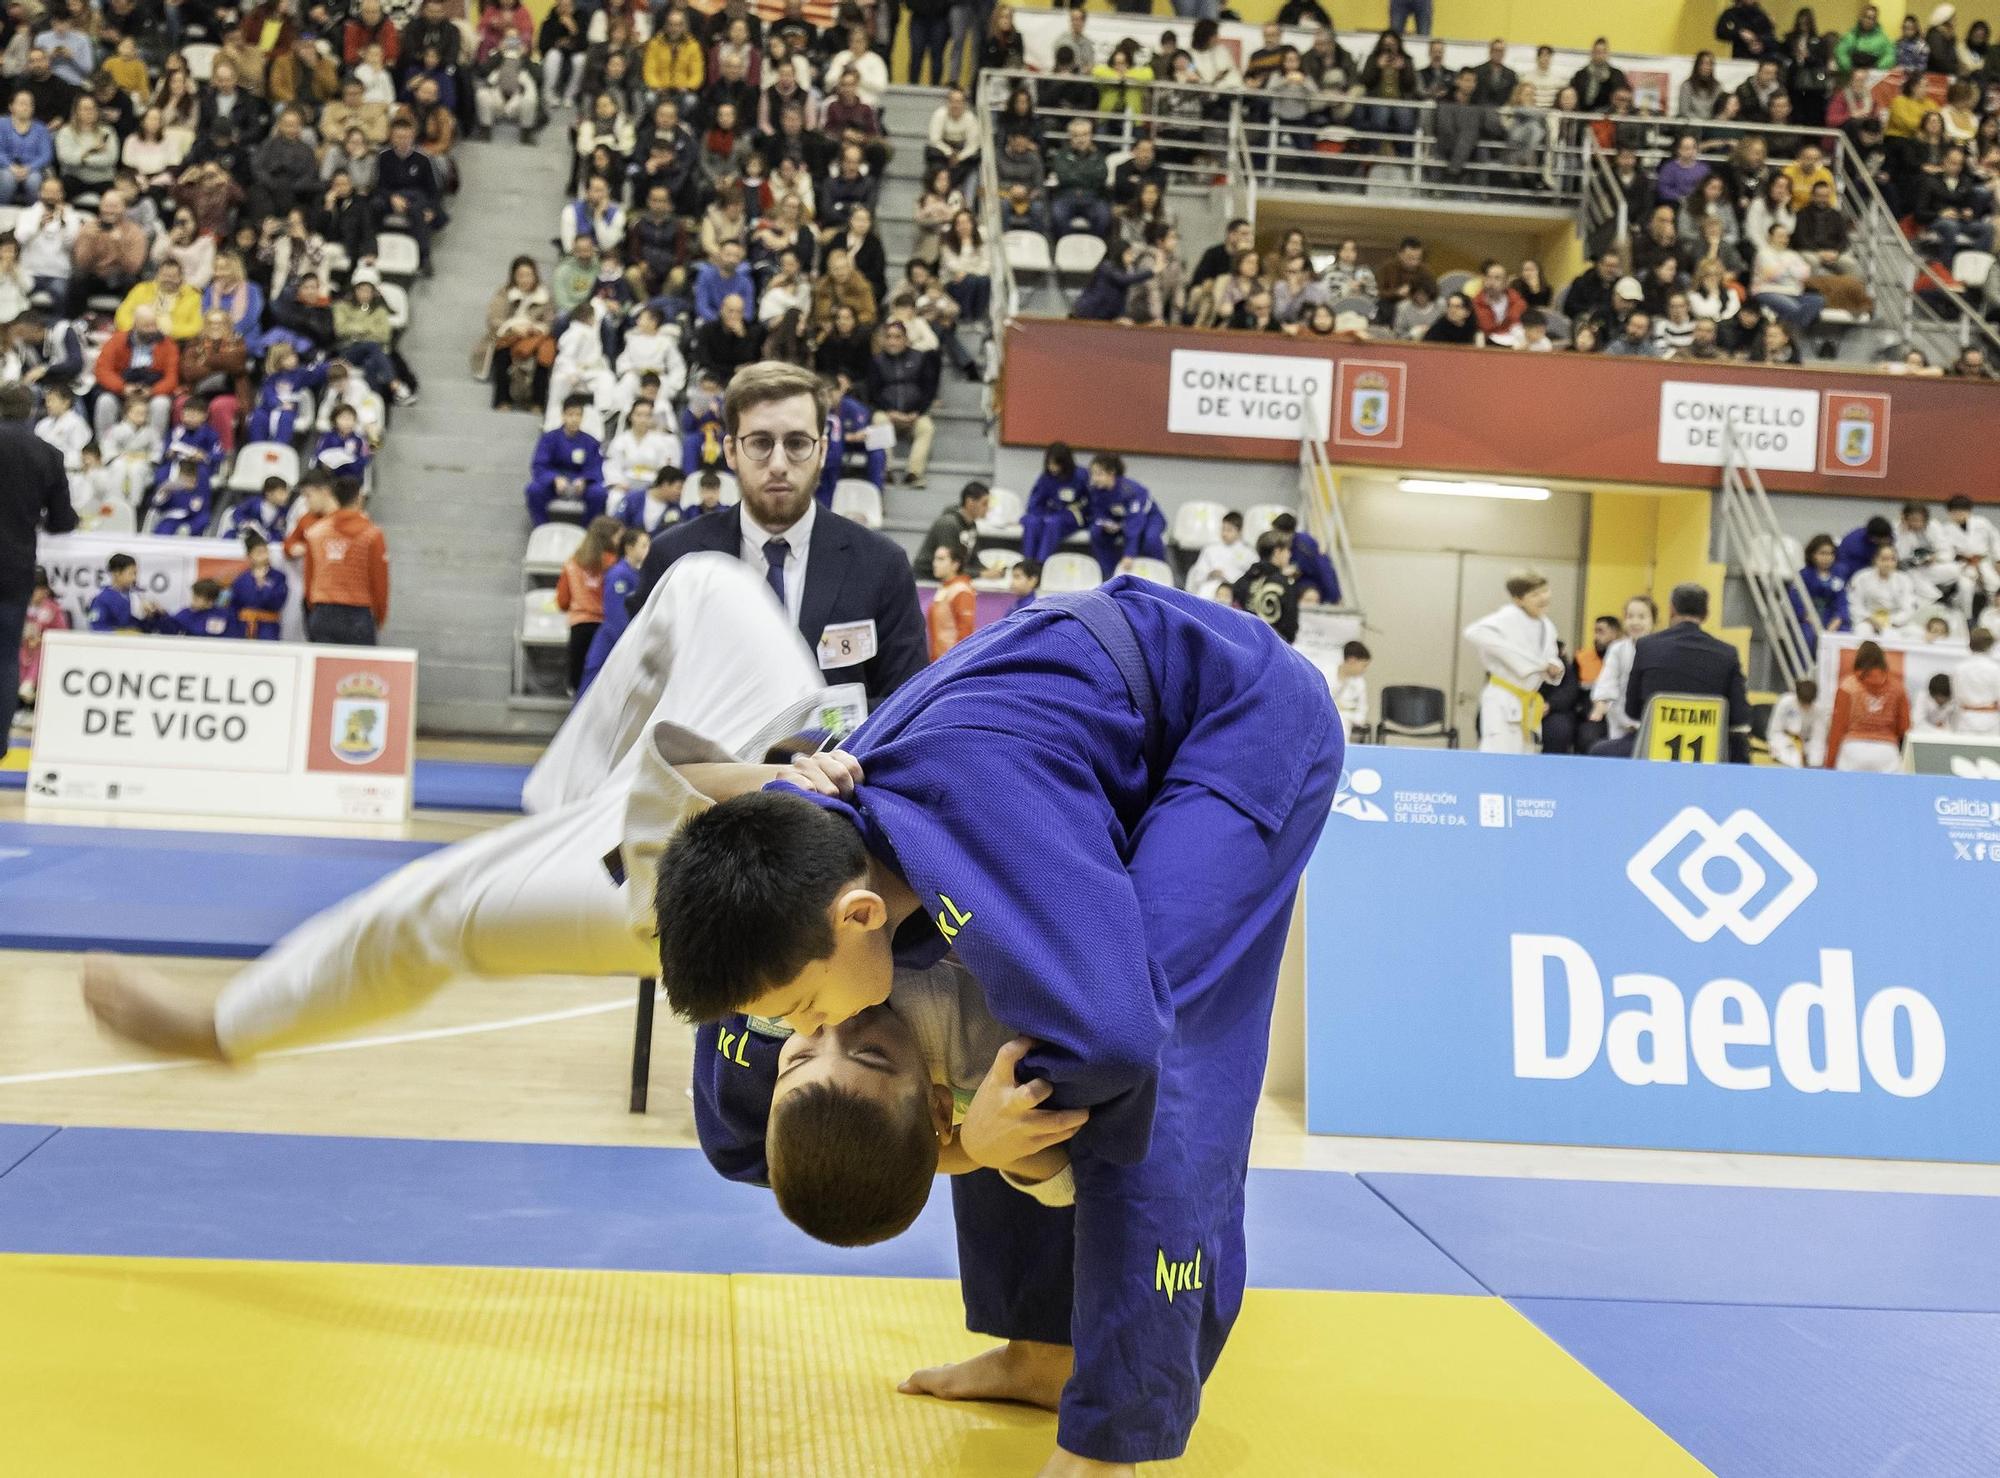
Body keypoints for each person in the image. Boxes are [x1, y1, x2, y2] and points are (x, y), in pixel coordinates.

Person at [657, 568, 1342, 1476]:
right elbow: (750, 1137)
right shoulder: (807, 831)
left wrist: (983, 1144)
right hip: (1051, 708)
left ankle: (1111, 1437)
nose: (808, 1033)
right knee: (894, 1048)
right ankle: (1038, 1354)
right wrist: (959, 1142)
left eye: (802, 1015)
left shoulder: (995, 859)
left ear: (862, 915)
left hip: (1234, 721)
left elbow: (1122, 1055)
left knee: (1126, 1055)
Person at [635, 362, 927, 707]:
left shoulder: (881, 566)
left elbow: (907, 706)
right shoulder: (674, 560)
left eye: (797, 443)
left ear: (821, 451)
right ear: (731, 452)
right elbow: (638, 700)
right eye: (760, 443)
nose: (777, 463)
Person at [1593, 583, 1753, 762]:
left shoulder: (1646, 646)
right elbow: (1740, 717)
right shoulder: (1727, 653)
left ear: (1671, 610)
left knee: (1599, 751)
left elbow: (1633, 711)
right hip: (1710, 756)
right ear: (1706, 614)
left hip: (1650, 750)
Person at [0, 381, 76, 735]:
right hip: (15, 566)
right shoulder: (48, 455)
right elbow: (62, 522)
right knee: (5, 656)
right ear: (32, 410)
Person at [1464, 569, 1562, 753]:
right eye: (1535, 594)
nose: (1543, 598)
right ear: (1519, 600)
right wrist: (1531, 663)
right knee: (1498, 760)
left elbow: (1550, 657)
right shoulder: (1508, 616)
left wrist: (1554, 668)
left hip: (1528, 701)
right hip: (1502, 699)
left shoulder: (1546, 624)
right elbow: (1474, 633)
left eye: (1545, 591)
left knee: (1523, 762)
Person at [301, 476, 388, 646]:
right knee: (357, 671)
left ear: (333, 497)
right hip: (358, 615)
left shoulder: (316, 532)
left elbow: (309, 579)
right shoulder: (372, 535)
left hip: (323, 612)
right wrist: (379, 616)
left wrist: (314, 611)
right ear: (359, 497)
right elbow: (379, 581)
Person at [579, 526, 650, 695]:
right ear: (629, 548)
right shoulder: (619, 574)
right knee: (592, 687)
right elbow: (615, 614)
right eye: (644, 545)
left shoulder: (641, 575)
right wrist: (629, 640)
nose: (648, 550)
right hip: (613, 639)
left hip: (628, 638)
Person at [557, 515, 622, 694]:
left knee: (578, 683)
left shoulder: (572, 563)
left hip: (579, 626)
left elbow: (562, 601)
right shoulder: (617, 565)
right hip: (606, 627)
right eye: (619, 536)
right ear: (608, 537)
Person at [1823, 639, 1909, 771]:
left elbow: (1838, 728)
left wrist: (1829, 764)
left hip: (1853, 750)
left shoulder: (1848, 686)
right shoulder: (1897, 687)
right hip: (1886, 751)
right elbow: (1904, 726)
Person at [1588, 593, 1656, 751]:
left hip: (1650, 716)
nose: (1635, 622)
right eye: (1630, 616)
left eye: (1642, 617)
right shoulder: (1617, 648)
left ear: (1653, 621)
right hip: (1620, 716)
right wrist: (1601, 702)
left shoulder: (1659, 649)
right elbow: (1608, 678)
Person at [525, 394, 607, 526]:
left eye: (578, 415)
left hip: (581, 484)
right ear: (563, 416)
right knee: (533, 490)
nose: (574, 419)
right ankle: (542, 527)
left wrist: (584, 479)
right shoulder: (549, 438)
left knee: (599, 493)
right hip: (555, 483)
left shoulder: (591, 442)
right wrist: (555, 478)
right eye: (570, 414)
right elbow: (539, 465)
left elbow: (596, 466)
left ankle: (585, 531)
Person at [1084, 452, 1164, 578]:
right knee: (1096, 532)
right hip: (1120, 522)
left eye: (1099, 474)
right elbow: (1097, 513)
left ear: (1112, 473)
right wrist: (1105, 523)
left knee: (1151, 539)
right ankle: (1110, 577)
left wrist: (1129, 553)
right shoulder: (1096, 491)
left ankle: (1160, 578)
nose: (1094, 478)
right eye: (1092, 474)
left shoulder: (1132, 490)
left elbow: (1135, 522)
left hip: (1149, 519)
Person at [1848, 541, 1927, 636]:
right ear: (1875, 559)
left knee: (1916, 633)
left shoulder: (1904, 580)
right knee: (1862, 631)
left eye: (1892, 559)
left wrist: (1891, 621)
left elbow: (1908, 608)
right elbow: (1855, 604)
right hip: (1868, 620)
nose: (1888, 564)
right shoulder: (1861, 577)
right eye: (1884, 559)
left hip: (1895, 621)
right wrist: (1870, 619)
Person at [913, 481, 987, 574]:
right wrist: (980, 574)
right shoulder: (949, 524)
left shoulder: (972, 526)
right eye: (984, 503)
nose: (988, 508)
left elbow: (973, 559)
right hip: (927, 579)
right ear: (970, 502)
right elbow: (948, 566)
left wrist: (986, 570)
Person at [228, 532, 289, 641]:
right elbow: (233, 606)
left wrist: (263, 586)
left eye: (265, 551)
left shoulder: (278, 577)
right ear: (249, 555)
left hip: (268, 628)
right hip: (243, 627)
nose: (263, 555)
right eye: (258, 553)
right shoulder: (240, 579)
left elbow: (278, 603)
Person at [1185, 509, 1254, 598]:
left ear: (1239, 531)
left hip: (1236, 592)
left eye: (1229, 530)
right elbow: (1198, 573)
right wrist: (1210, 574)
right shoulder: (1210, 550)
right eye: (1223, 529)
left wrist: (1229, 580)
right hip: (1211, 588)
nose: (1225, 533)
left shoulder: (1249, 553)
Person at [926, 543, 975, 661]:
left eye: (941, 559)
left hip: (952, 662)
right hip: (939, 660)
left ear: (955, 564)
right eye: (935, 559)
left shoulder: (961, 591)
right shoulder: (944, 588)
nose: (935, 563)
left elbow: (965, 632)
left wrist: (956, 662)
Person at [1765, 676, 1822, 767]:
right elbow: (1774, 731)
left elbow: (1818, 738)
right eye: (1803, 703)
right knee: (1794, 760)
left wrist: (1815, 761)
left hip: (1805, 743)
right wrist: (1792, 744)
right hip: (1783, 740)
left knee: (1817, 760)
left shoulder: (1818, 711)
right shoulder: (1785, 702)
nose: (1806, 707)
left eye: (1809, 704)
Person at [1956, 628, 2000, 734]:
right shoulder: (1995, 668)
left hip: (1965, 719)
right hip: (1990, 720)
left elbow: (1956, 697)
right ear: (1990, 645)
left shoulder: (1959, 668)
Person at [1333, 640, 1371, 740]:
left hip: (1349, 718)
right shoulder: (1327, 675)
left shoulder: (1360, 683)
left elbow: (1362, 710)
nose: (1364, 670)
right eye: (1364, 665)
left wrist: (1348, 716)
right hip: (1328, 717)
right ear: (1352, 660)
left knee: (1342, 720)